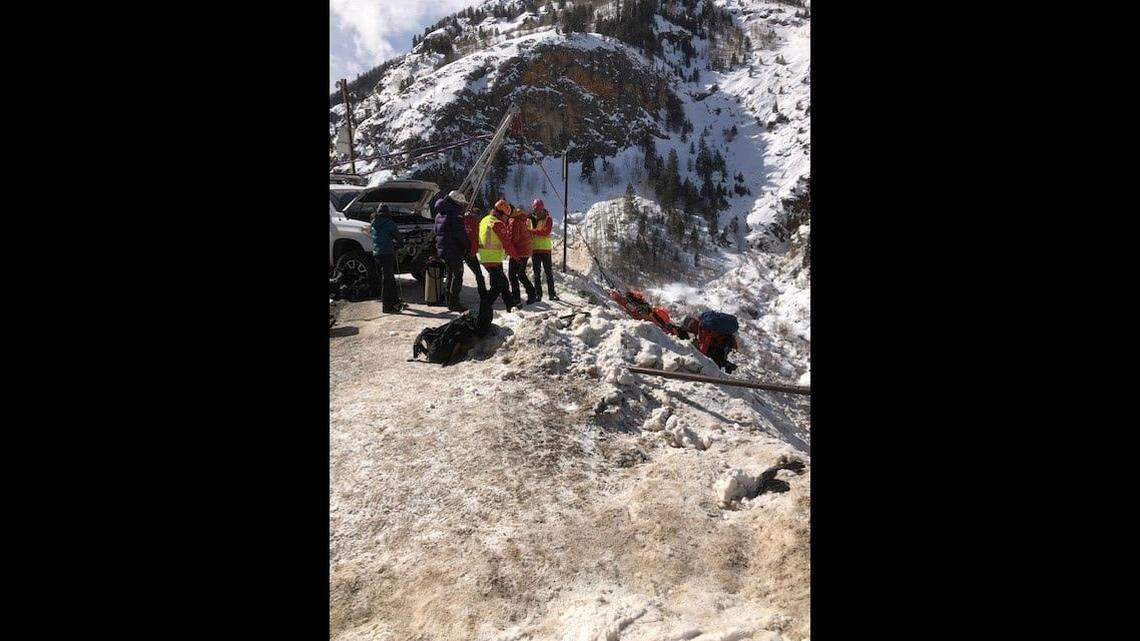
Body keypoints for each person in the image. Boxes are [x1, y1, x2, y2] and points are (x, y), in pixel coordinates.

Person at [476, 199, 516, 331]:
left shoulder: (485, 219)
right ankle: (482, 316)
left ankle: (512, 308)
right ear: (502, 214)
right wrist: (517, 257)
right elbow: (506, 243)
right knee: (497, 287)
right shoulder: (497, 223)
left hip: (487, 258)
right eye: (506, 216)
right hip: (492, 259)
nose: (506, 219)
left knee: (503, 284)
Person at [433, 190, 472, 312]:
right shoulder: (455, 213)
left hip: (443, 250)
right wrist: (468, 245)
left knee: (450, 275)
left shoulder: (439, 213)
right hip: (453, 250)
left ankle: (449, 301)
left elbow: (436, 231)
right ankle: (454, 303)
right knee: (457, 275)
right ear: (457, 201)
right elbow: (460, 233)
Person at [370, 205, 405, 313]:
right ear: (387, 212)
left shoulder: (373, 222)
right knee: (388, 280)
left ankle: (395, 302)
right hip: (387, 253)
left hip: (377, 254)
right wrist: (399, 245)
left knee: (389, 279)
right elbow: (399, 240)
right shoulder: (389, 223)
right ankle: (387, 307)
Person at [507, 205, 537, 305]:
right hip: (526, 251)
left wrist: (506, 243)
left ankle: (516, 298)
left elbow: (514, 238)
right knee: (520, 274)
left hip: (519, 252)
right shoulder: (522, 219)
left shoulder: (514, 221)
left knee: (512, 275)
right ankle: (532, 293)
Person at [529, 199, 558, 301]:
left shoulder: (548, 219)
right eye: (535, 210)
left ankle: (552, 294)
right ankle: (538, 295)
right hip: (535, 250)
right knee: (536, 274)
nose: (537, 212)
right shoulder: (530, 219)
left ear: (542, 209)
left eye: (538, 209)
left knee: (548, 273)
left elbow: (545, 232)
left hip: (545, 250)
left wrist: (532, 231)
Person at [461, 207, 488, 297]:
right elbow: (474, 239)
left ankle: (451, 297)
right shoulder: (475, 223)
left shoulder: (463, 219)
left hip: (460, 249)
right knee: (479, 274)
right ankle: (483, 294)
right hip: (469, 252)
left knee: (455, 275)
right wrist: (473, 253)